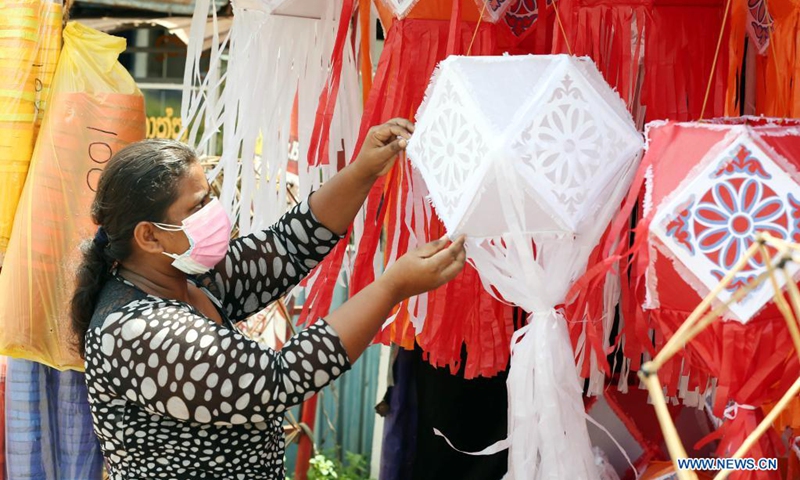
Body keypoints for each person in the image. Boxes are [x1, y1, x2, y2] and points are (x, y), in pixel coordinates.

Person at [70, 118, 466, 479]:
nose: (214, 212)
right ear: (149, 236)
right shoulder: (137, 331)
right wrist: (390, 288)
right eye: (197, 206)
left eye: (209, 197)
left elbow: (289, 245)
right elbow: (279, 379)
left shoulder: (188, 277)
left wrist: (364, 170)